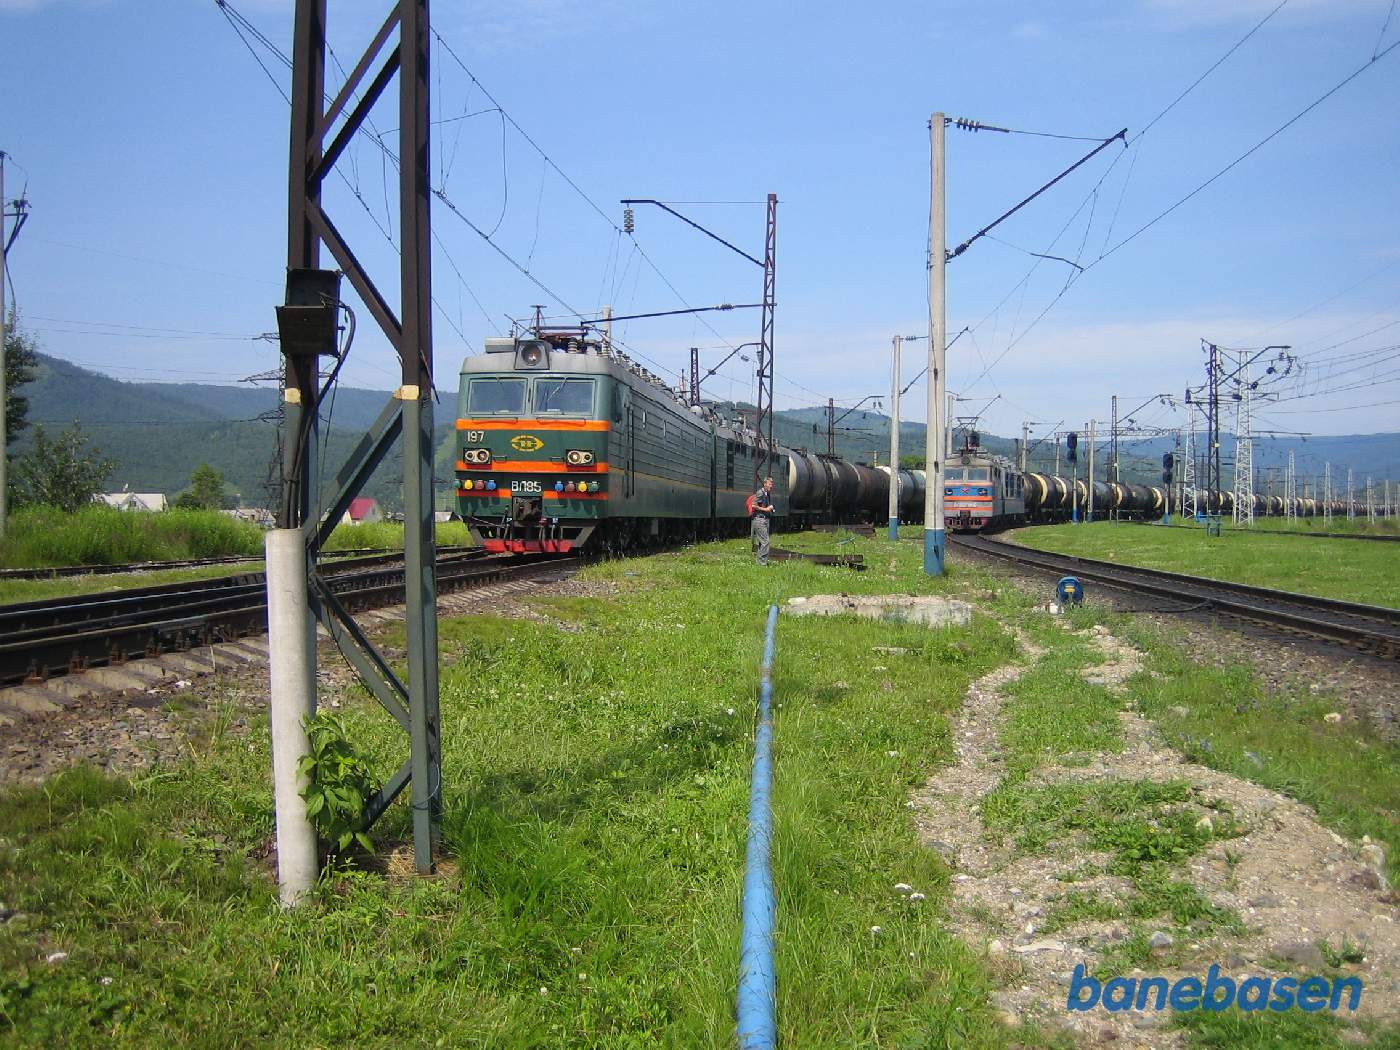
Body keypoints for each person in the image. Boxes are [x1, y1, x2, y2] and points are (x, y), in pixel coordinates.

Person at [750, 477, 775, 565]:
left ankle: (760, 563)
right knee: (765, 541)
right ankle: (762, 563)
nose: (771, 486)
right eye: (769, 484)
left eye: (772, 484)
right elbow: (753, 505)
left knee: (762, 542)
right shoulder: (760, 493)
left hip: (764, 520)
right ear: (765, 484)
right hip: (759, 520)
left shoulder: (767, 493)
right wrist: (766, 509)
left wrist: (770, 509)